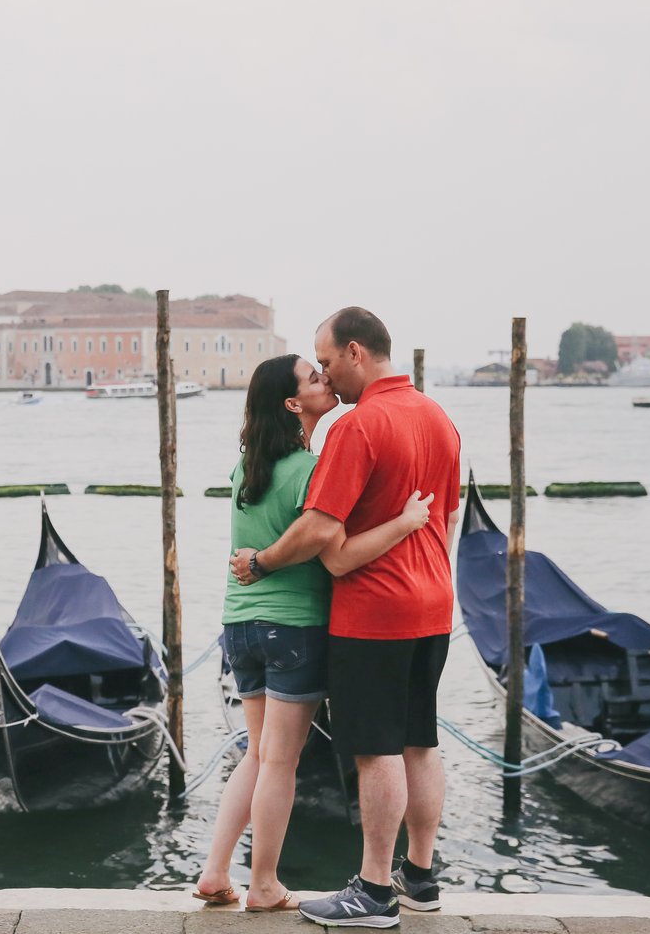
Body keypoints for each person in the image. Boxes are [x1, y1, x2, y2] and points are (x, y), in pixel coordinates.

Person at [229, 308, 461, 929]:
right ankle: (420, 877)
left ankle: (375, 890)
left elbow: (321, 532)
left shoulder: (357, 426)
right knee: (419, 741)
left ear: (356, 352)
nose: (327, 376)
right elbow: (448, 518)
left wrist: (262, 561)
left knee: (375, 750)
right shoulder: (439, 417)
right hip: (434, 603)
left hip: (375, 611)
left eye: (329, 362)